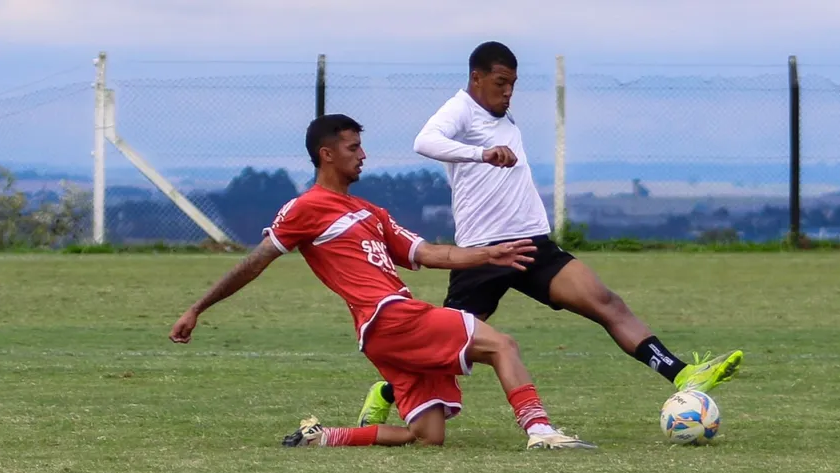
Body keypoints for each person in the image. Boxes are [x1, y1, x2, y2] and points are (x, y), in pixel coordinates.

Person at [356, 41, 744, 428]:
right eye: (500, 82)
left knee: (606, 302)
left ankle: (680, 374)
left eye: (513, 84)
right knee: (448, 350)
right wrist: (482, 153)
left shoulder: (503, 117)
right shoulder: (461, 108)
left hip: (533, 245)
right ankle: (387, 390)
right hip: (485, 255)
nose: (508, 92)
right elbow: (424, 142)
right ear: (477, 78)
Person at [168, 113, 595, 450]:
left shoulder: (372, 213)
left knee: (428, 435)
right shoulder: (306, 208)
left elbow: (431, 254)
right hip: (390, 317)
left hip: (381, 332)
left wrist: (488, 253)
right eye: (353, 147)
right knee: (503, 345)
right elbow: (255, 263)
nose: (363, 155)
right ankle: (540, 431)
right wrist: (197, 308)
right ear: (327, 154)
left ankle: (323, 436)